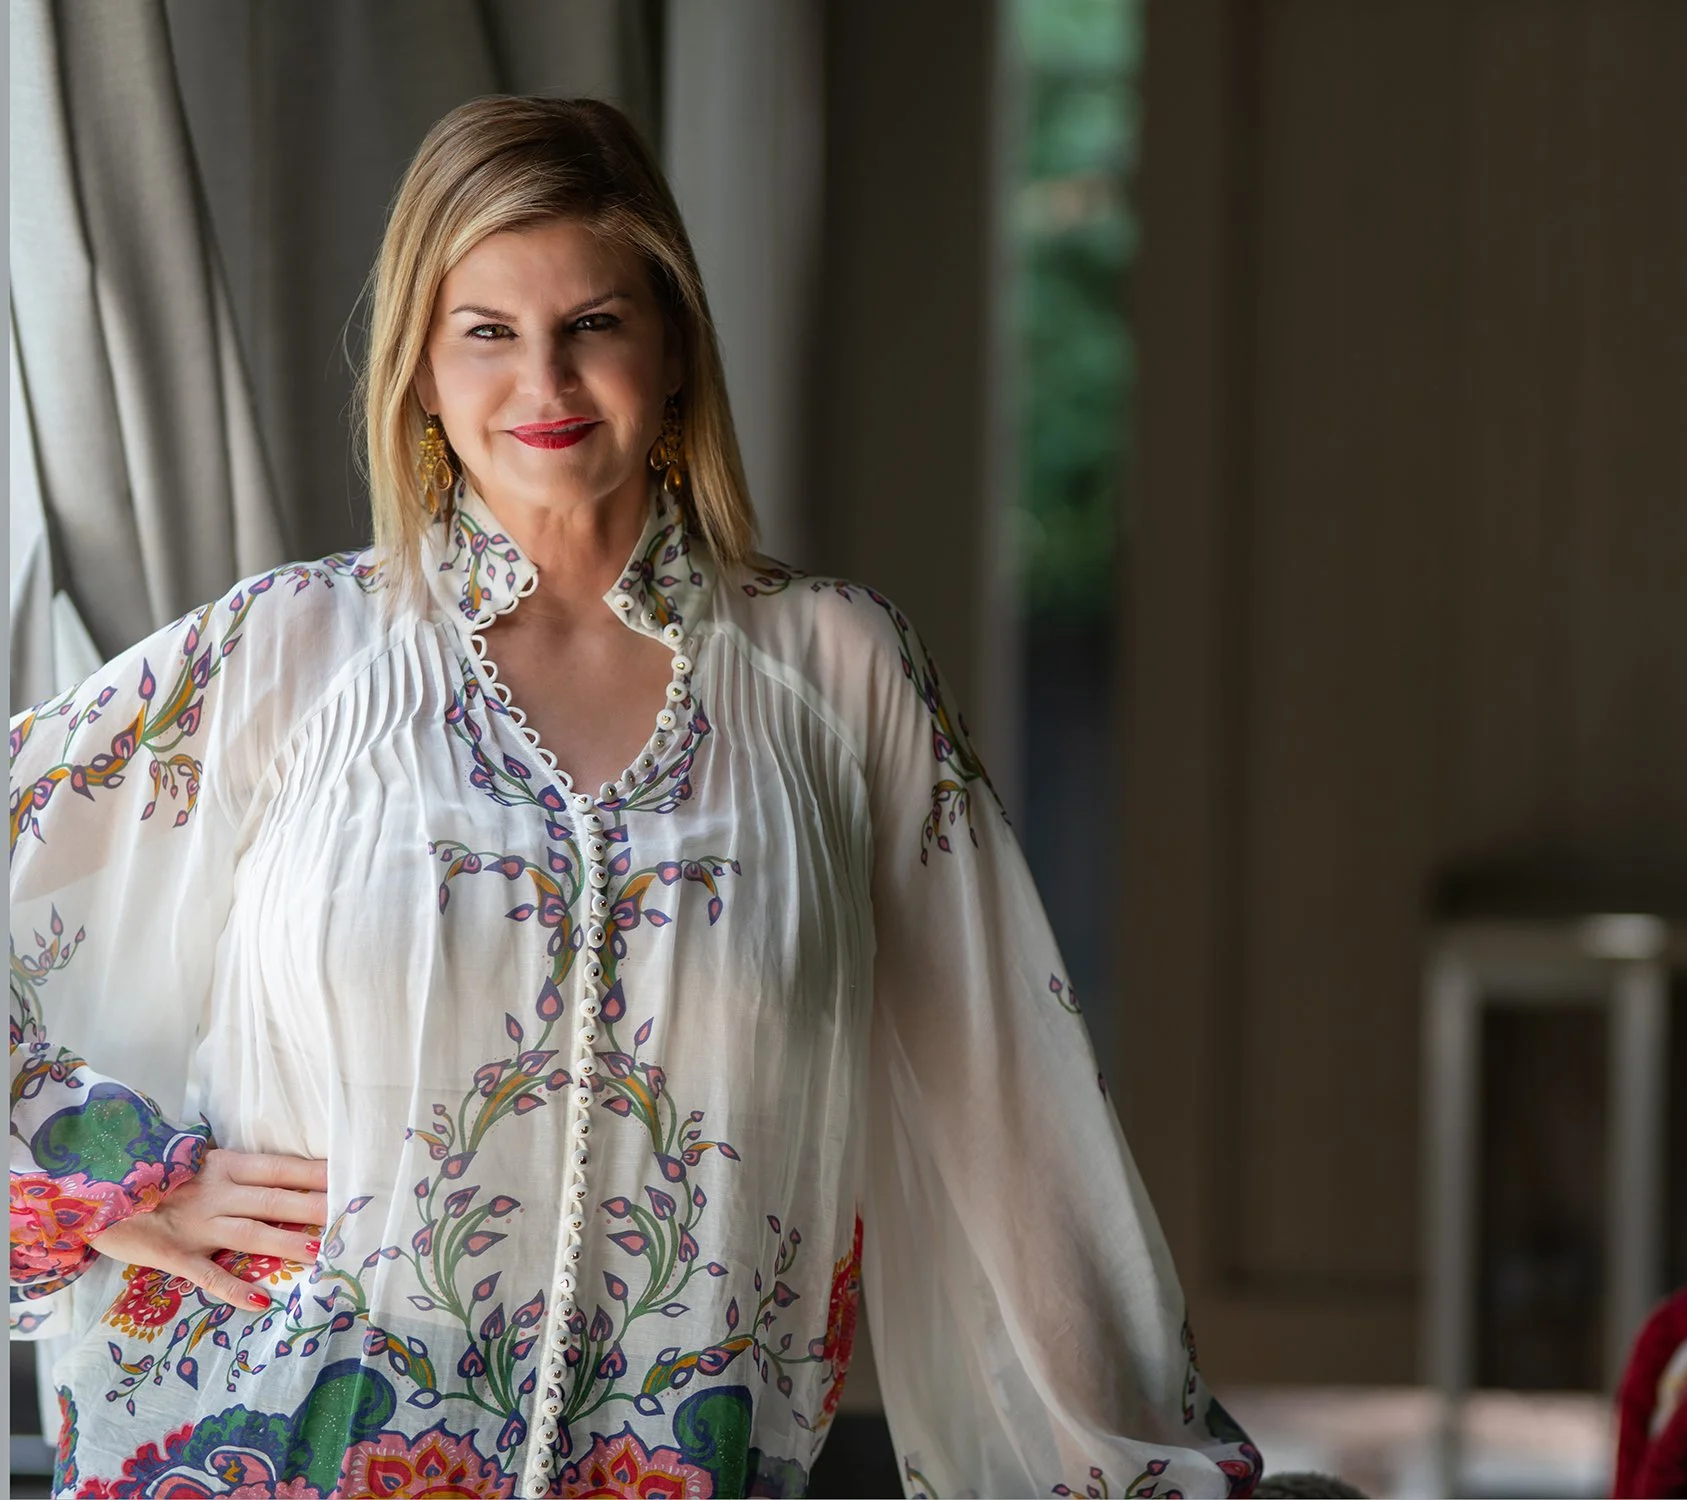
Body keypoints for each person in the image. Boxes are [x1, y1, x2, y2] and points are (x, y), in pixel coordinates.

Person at [8, 95, 1263, 1499]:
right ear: (421, 368)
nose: (542, 380)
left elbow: (1009, 1112)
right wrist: (104, 1178)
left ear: (671, 350)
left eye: (593, 323)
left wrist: (1149, 1467)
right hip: (270, 1447)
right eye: (486, 329)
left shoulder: (832, 672)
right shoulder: (292, 651)